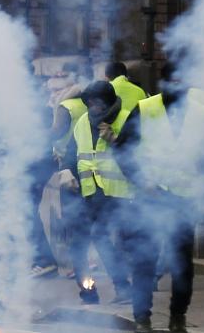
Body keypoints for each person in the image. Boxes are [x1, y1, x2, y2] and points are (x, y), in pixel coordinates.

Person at [114, 64, 204, 333]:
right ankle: (142, 318)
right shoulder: (145, 109)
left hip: (184, 201)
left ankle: (178, 316)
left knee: (182, 265)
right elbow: (122, 148)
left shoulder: (202, 114)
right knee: (144, 260)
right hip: (150, 197)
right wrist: (140, 181)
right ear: (164, 83)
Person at [66, 81, 135, 304]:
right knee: (78, 243)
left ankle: (124, 289)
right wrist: (66, 172)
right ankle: (88, 291)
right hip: (89, 194)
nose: (94, 107)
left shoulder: (127, 118)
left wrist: (116, 141)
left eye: (98, 102)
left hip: (118, 194)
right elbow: (72, 153)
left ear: (108, 102)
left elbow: (139, 156)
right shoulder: (83, 122)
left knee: (105, 238)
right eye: (90, 102)